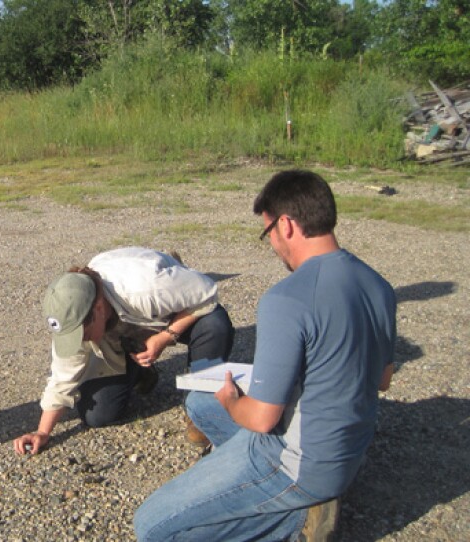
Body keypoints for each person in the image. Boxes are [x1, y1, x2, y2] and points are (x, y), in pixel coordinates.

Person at [134, 170, 397, 541]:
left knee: (152, 527)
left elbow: (259, 419)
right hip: (348, 452)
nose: (272, 244)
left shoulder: (286, 298)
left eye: (268, 233)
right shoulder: (378, 285)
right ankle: (298, 500)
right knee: (199, 403)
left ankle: (292, 522)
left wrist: (231, 400)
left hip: (296, 462)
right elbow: (382, 379)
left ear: (286, 225)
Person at [13, 246, 234, 456]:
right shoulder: (73, 315)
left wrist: (166, 336)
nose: (80, 341)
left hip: (166, 304)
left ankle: (201, 402)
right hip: (123, 326)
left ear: (98, 308)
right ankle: (139, 369)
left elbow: (207, 293)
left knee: (214, 326)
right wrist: (42, 432)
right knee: (98, 415)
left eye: (83, 335)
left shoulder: (148, 288)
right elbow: (62, 378)